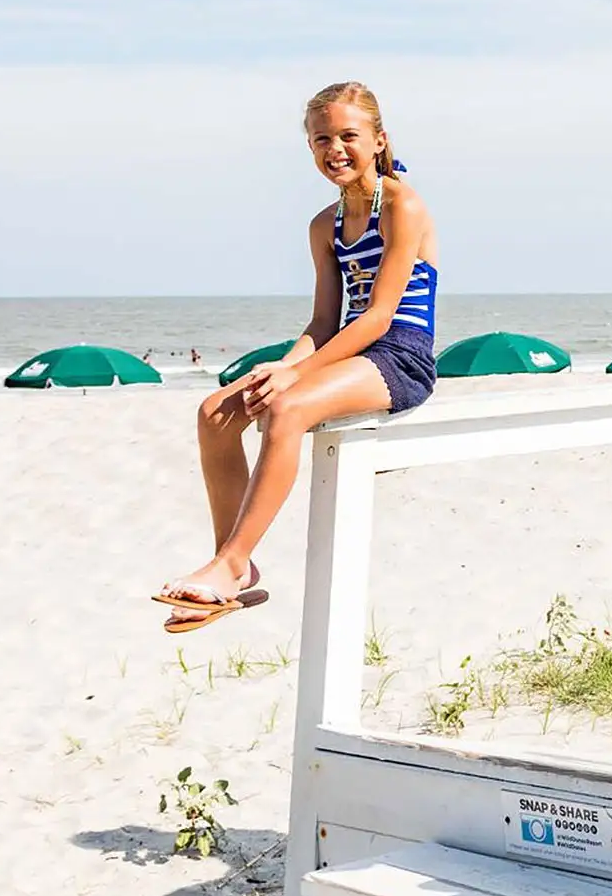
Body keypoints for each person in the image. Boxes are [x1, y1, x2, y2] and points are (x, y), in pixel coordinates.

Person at [154, 81, 440, 634]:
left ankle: (228, 564)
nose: (335, 148)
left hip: (400, 356)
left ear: (379, 140)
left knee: (287, 409)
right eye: (321, 139)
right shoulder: (324, 225)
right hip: (345, 353)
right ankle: (234, 563)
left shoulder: (403, 205)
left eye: (348, 136)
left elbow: (380, 317)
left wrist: (296, 377)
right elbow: (321, 323)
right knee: (216, 413)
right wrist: (285, 366)